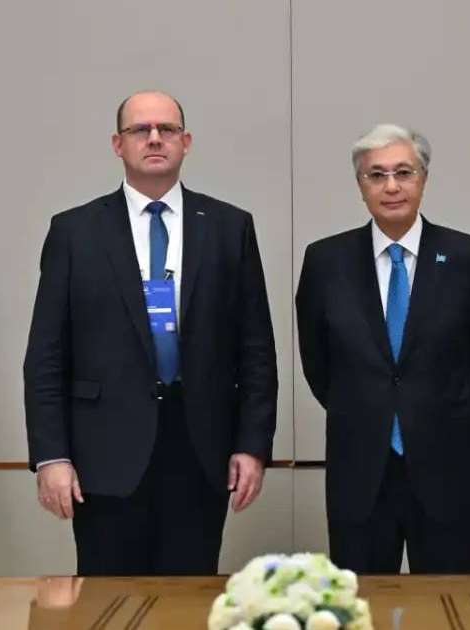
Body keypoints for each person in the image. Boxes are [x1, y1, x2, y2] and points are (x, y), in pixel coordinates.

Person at [23, 91, 278, 575]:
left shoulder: (229, 227)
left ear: (186, 142)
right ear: (118, 144)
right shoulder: (75, 231)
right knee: (107, 604)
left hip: (201, 450)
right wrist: (51, 456)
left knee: (188, 602)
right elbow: (46, 357)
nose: (155, 138)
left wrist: (252, 444)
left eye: (167, 129)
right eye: (141, 130)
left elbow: (256, 350)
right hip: (104, 454)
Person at [296, 123, 470, 573]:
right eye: (376, 175)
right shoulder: (325, 262)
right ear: (360, 185)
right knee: (362, 613)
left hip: (450, 469)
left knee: (455, 612)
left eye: (403, 172)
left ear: (423, 179)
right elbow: (318, 364)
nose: (391, 186)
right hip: (361, 474)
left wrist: (438, 413)